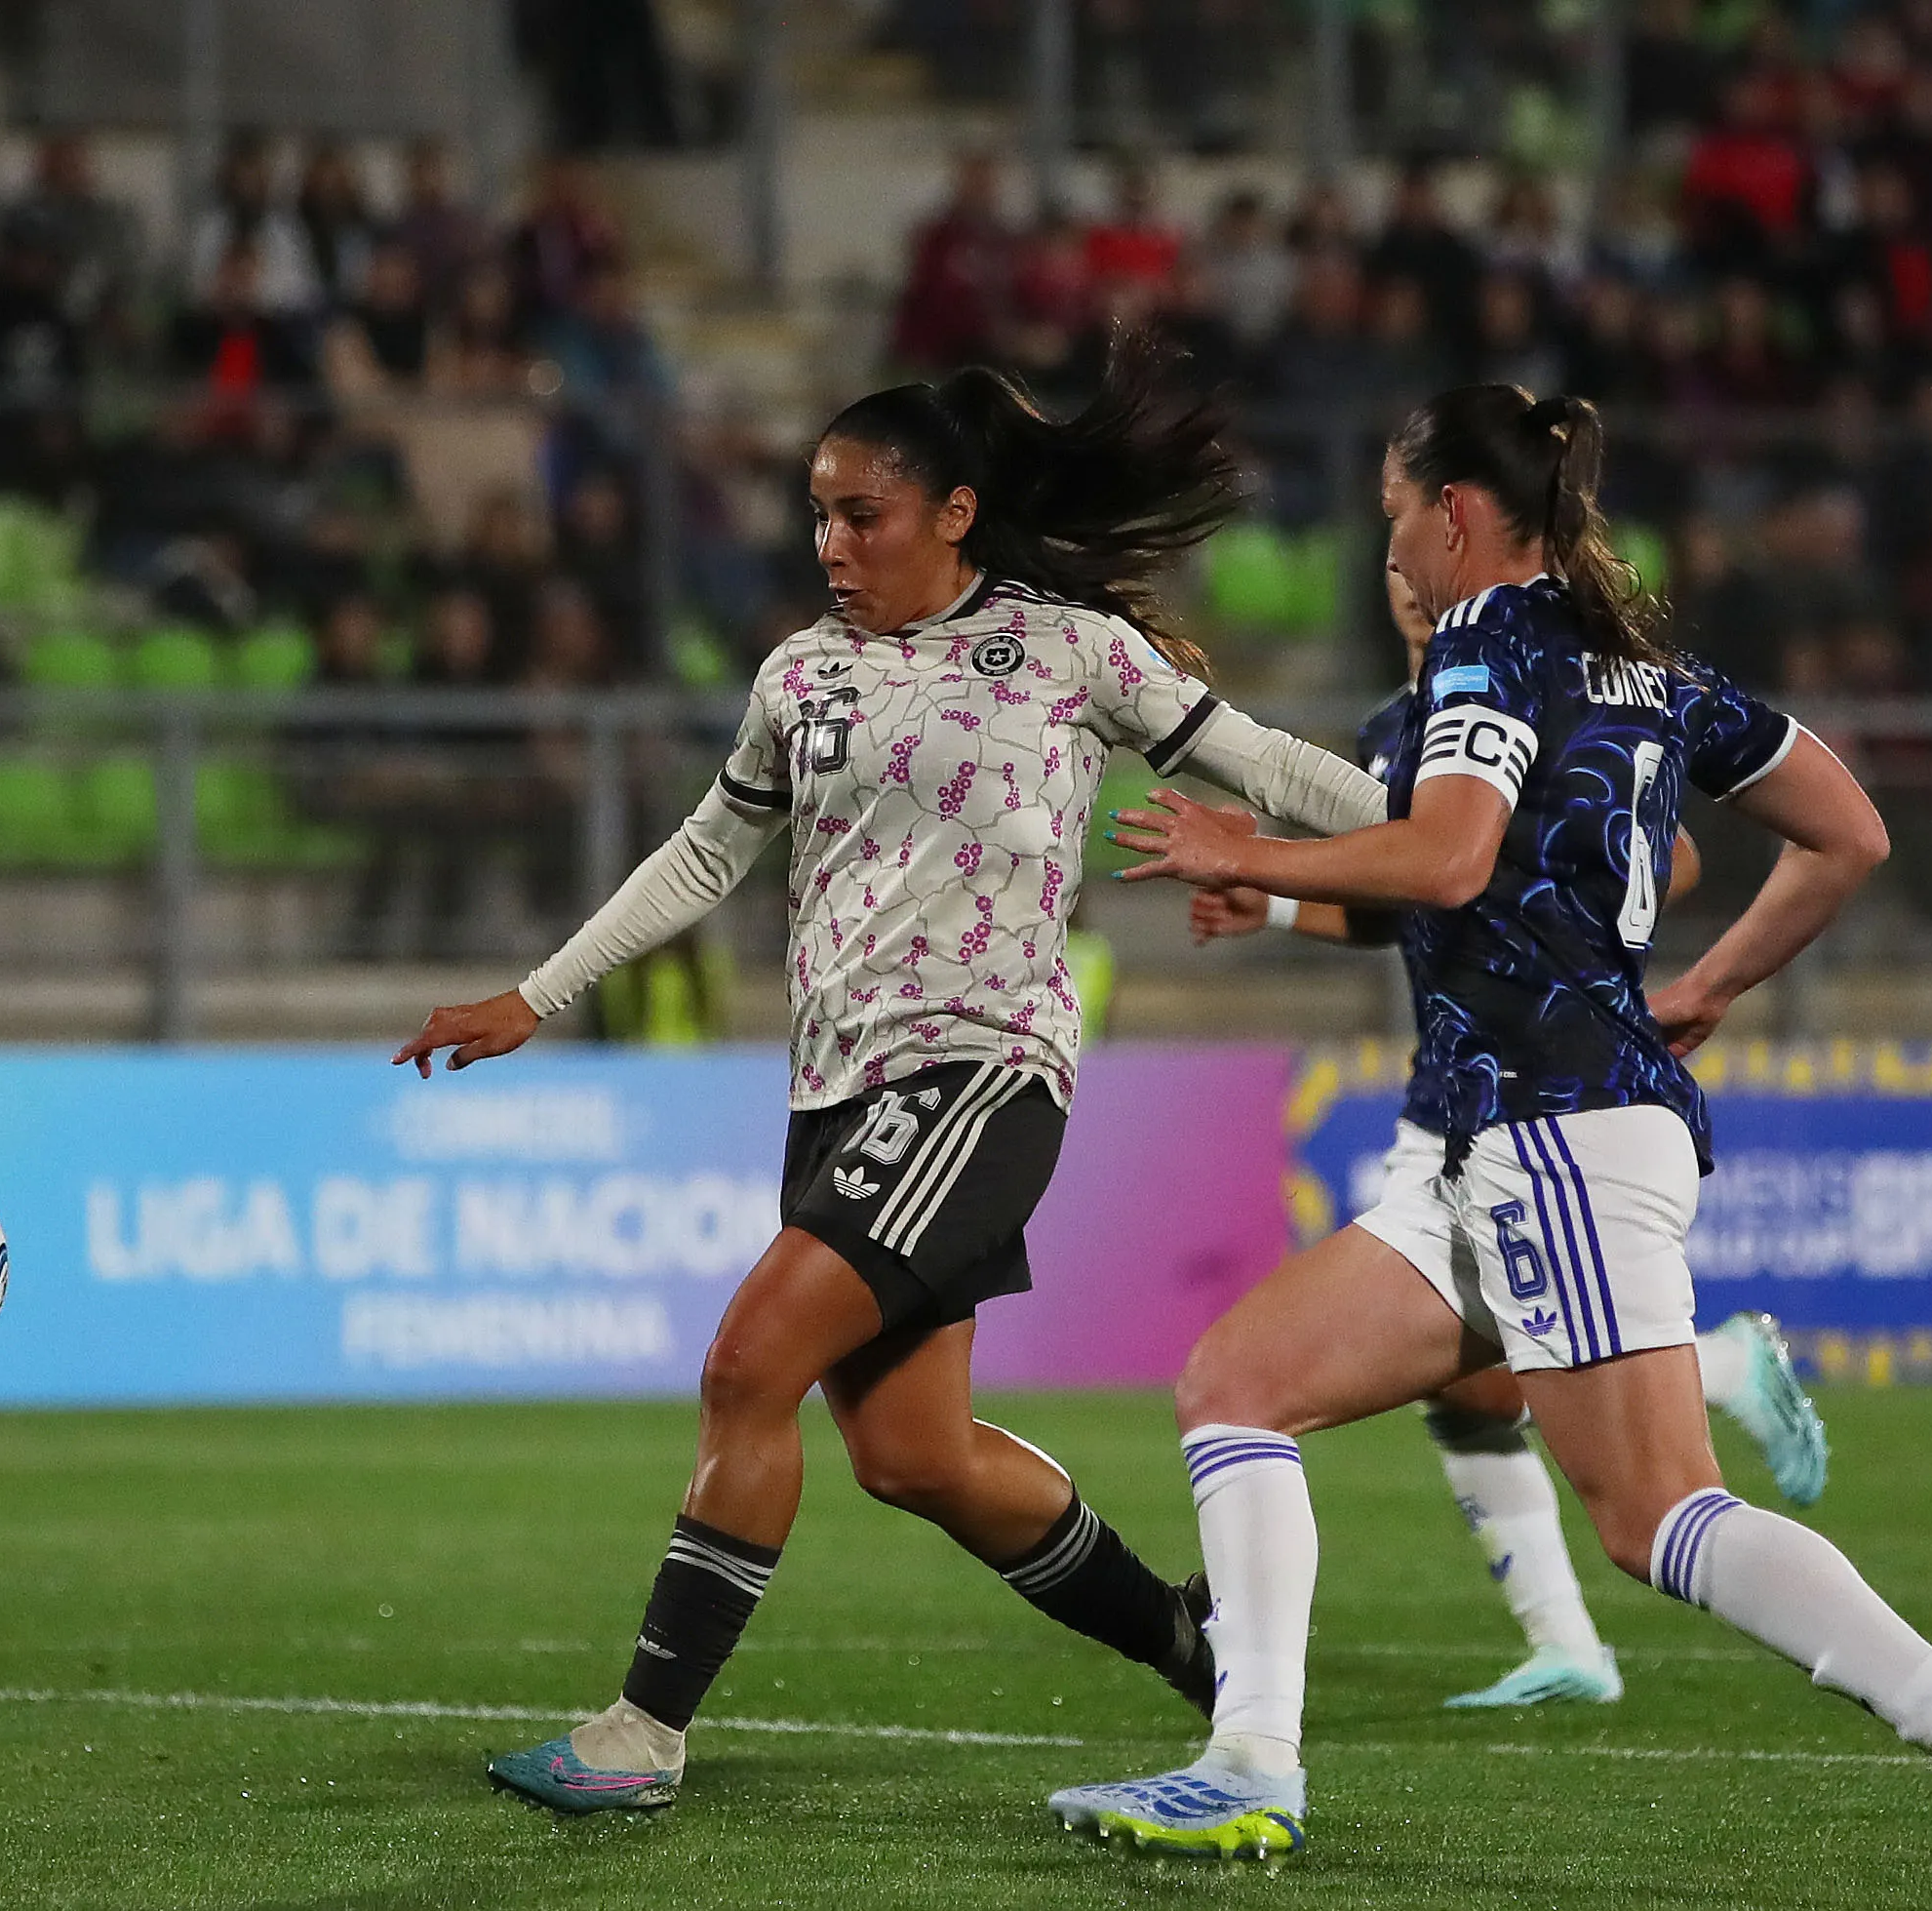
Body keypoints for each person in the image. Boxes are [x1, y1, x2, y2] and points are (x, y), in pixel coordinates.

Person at [1048, 384, 1932, 1911]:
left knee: (1656, 1514)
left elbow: (1447, 854)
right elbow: (1848, 832)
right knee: (1234, 1386)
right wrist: (1714, 986)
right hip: (1500, 1137)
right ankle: (1249, 1764)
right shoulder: (1651, 664)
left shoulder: (1485, 638)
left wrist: (1242, 850)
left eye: (1400, 507)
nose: (1389, 538)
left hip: (1553, 1130)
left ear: (1456, 512)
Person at [398, 338, 1394, 1815]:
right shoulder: (800, 673)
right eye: (817, 512)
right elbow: (706, 851)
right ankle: (1193, 1638)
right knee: (913, 1454)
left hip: (979, 1072)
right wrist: (537, 995)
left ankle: (640, 1735)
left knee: (746, 1363)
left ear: (954, 512)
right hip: (835, 1091)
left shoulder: (1068, 650)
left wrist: (1438, 834)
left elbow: (1261, 766)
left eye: (861, 513)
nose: (830, 542)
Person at [1190, 558, 1828, 1709]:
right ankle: (1563, 1642)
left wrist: (1572, 905)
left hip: (1524, 1098)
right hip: (1456, 1094)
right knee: (1444, 1388)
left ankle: (1717, 1380)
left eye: (1408, 538)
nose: (1397, 574)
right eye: (1379, 559)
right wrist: (1280, 902)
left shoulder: (1529, 685)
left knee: (1602, 1465)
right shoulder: (1403, 723)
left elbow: (1648, 854)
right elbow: (1414, 895)